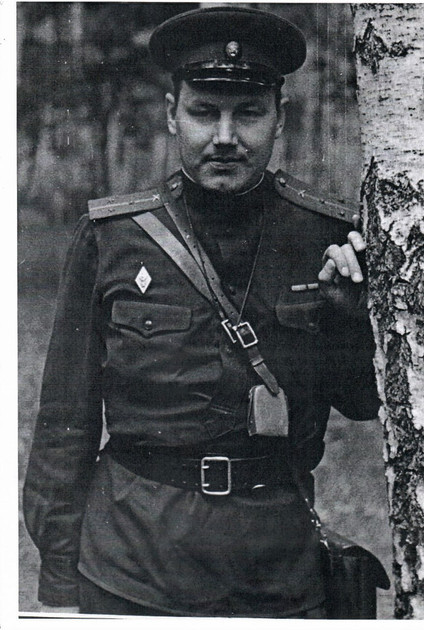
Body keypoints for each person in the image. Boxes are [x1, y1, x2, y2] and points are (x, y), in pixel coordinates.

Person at [23, 6, 380, 619]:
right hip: (133, 568)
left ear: (280, 118)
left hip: (278, 573)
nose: (225, 135)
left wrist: (349, 317)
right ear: (171, 114)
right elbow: (64, 427)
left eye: (248, 113)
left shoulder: (324, 238)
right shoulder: (114, 238)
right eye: (203, 111)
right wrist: (58, 592)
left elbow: (366, 402)